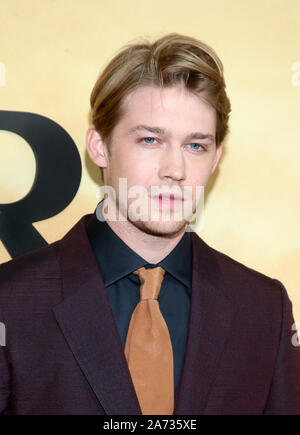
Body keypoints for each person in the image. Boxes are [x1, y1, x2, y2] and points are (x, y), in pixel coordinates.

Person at [0, 33, 300, 415]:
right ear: (99, 146)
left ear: (214, 158)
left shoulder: (264, 309)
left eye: (195, 145)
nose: (174, 169)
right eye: (150, 140)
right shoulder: (9, 302)